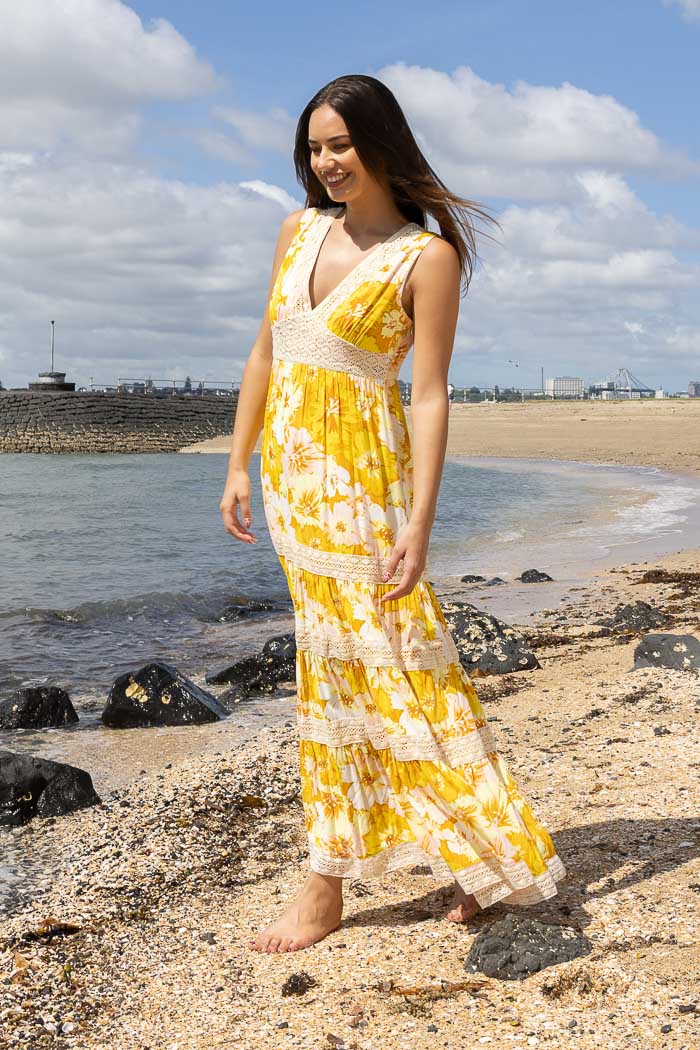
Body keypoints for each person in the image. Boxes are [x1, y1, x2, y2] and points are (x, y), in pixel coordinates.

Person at [219, 74, 565, 954]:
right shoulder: (295, 232)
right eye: (314, 147)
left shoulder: (427, 257)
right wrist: (235, 465)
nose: (326, 162)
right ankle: (329, 881)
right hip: (293, 488)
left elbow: (433, 395)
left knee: (400, 668)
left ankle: (471, 855)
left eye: (340, 143)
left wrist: (419, 520)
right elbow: (265, 350)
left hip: (366, 485)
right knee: (328, 677)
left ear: (380, 143)